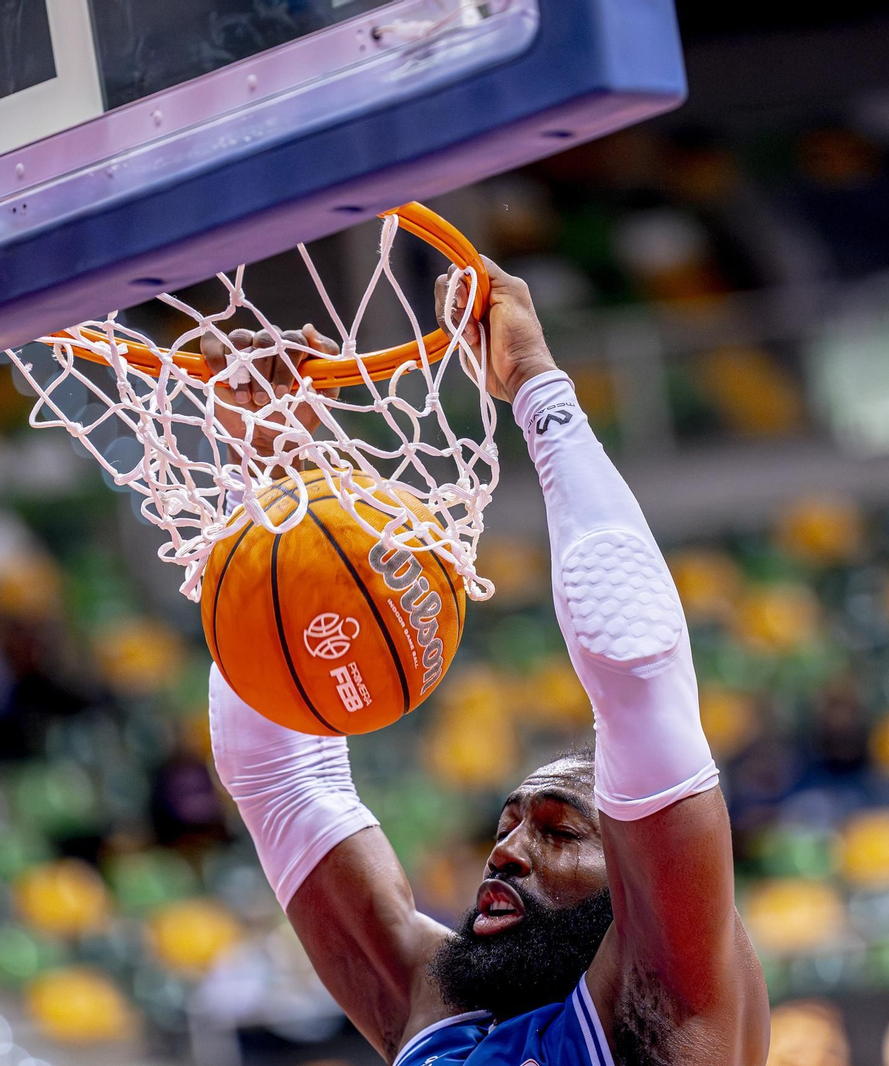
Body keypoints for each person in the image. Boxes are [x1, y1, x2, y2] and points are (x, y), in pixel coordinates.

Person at [207, 258, 770, 1065]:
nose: (506, 852)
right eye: (510, 825)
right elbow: (278, 779)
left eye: (557, 831)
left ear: (640, 882)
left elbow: (638, 665)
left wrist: (537, 386)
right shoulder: (439, 1009)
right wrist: (271, 484)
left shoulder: (678, 1009)